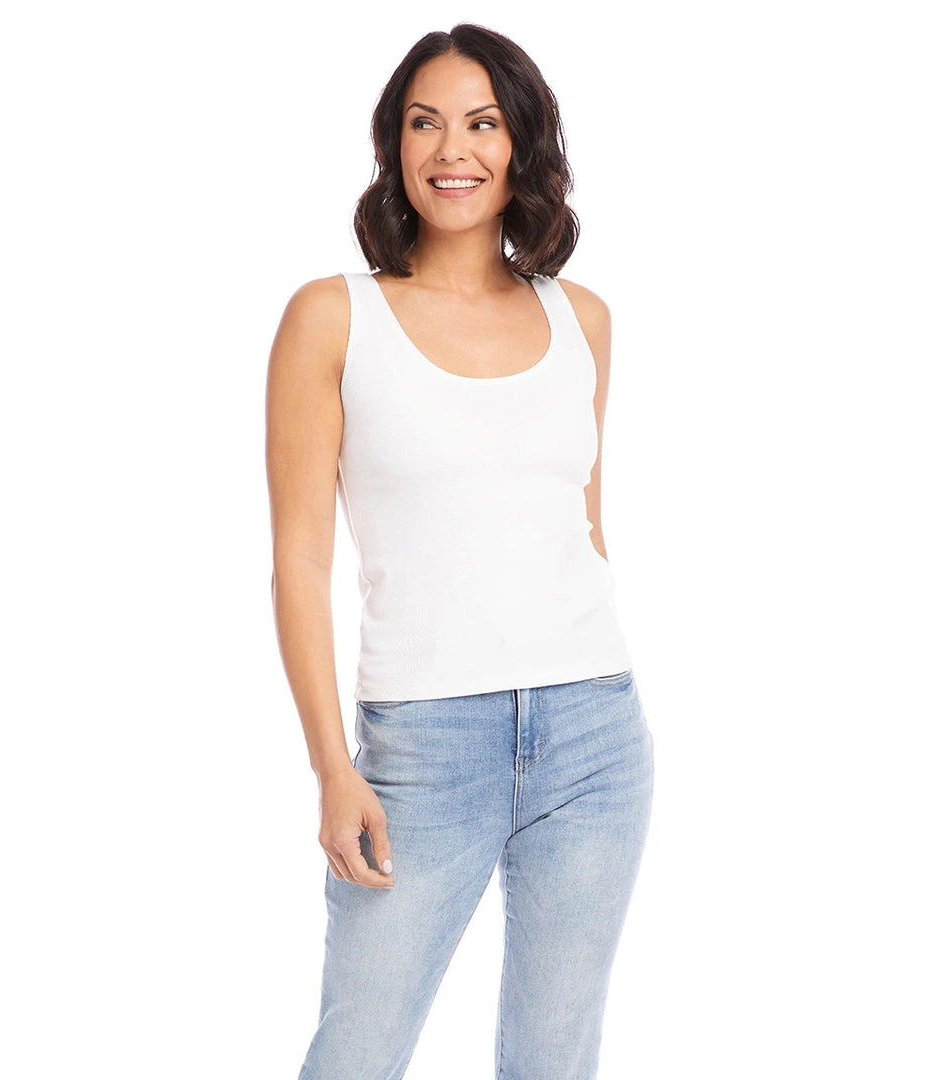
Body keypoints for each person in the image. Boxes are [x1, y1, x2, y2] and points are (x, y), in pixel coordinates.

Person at [266, 22, 655, 1080]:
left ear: (520, 143)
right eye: (424, 123)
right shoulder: (332, 317)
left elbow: (586, 525)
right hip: (421, 750)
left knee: (552, 1061)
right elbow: (299, 561)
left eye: (482, 124)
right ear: (393, 145)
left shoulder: (582, 319)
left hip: (592, 734)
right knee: (356, 1054)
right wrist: (331, 768)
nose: (452, 150)